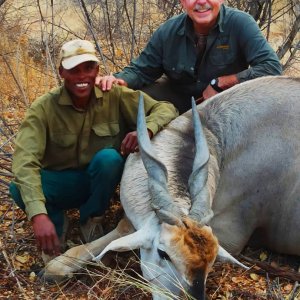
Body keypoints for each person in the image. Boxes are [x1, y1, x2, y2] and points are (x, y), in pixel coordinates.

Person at [9, 39, 178, 262]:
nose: (82, 77)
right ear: (61, 72)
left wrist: (146, 128)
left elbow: (166, 108)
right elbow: (24, 161)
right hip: (63, 183)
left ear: (97, 70)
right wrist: (38, 215)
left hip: (100, 182)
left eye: (88, 68)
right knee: (18, 187)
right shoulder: (43, 108)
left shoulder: (114, 95)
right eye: (74, 70)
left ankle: (91, 219)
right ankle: (56, 222)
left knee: (110, 159)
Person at [98, 0, 282, 114]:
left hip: (225, 103)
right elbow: (141, 70)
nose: (201, 2)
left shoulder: (241, 23)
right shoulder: (168, 31)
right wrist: (118, 80)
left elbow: (271, 67)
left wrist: (219, 83)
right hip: (178, 100)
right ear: (182, 2)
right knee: (125, 100)